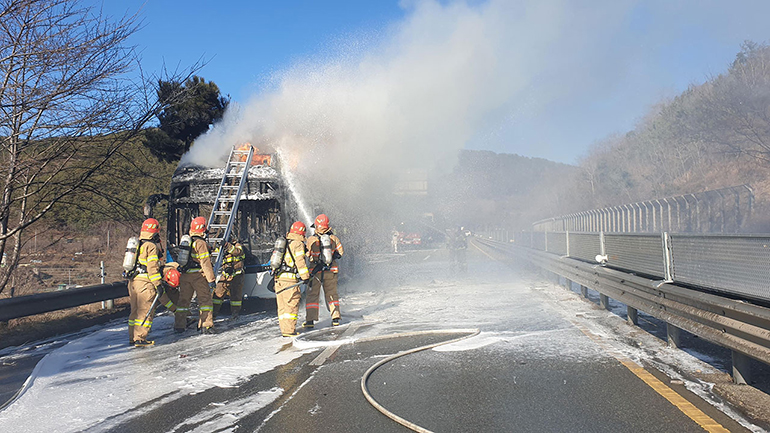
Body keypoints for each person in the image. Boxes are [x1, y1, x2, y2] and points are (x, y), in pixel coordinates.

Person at [175, 217, 216, 334]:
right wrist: (211, 279)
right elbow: (205, 262)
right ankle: (206, 325)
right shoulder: (200, 243)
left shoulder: (187, 241)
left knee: (183, 302)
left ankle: (179, 325)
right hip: (198, 276)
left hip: (185, 276)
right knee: (205, 301)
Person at [303, 214, 344, 328]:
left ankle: (310, 321)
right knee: (332, 294)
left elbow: (307, 254)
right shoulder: (334, 238)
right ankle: (335, 318)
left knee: (312, 296)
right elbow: (341, 252)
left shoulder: (311, 239)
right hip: (331, 271)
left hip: (315, 272)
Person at [127, 218, 164, 347]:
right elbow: (152, 268)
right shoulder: (151, 246)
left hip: (133, 282)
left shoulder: (138, 244)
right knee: (144, 311)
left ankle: (133, 337)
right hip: (145, 283)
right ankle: (140, 338)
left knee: (135, 311)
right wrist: (158, 284)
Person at [273, 221, 310, 337]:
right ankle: (290, 331)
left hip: (279, 279)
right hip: (290, 281)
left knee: (282, 307)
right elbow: (300, 262)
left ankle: (285, 330)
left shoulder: (285, 242)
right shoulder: (298, 244)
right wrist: (306, 277)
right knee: (291, 305)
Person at [213, 234, 246, 319]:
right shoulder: (222, 248)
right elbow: (215, 254)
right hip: (226, 274)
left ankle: (235, 314)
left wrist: (227, 245)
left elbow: (237, 252)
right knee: (218, 293)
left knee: (235, 295)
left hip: (237, 275)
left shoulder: (237, 245)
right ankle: (213, 314)